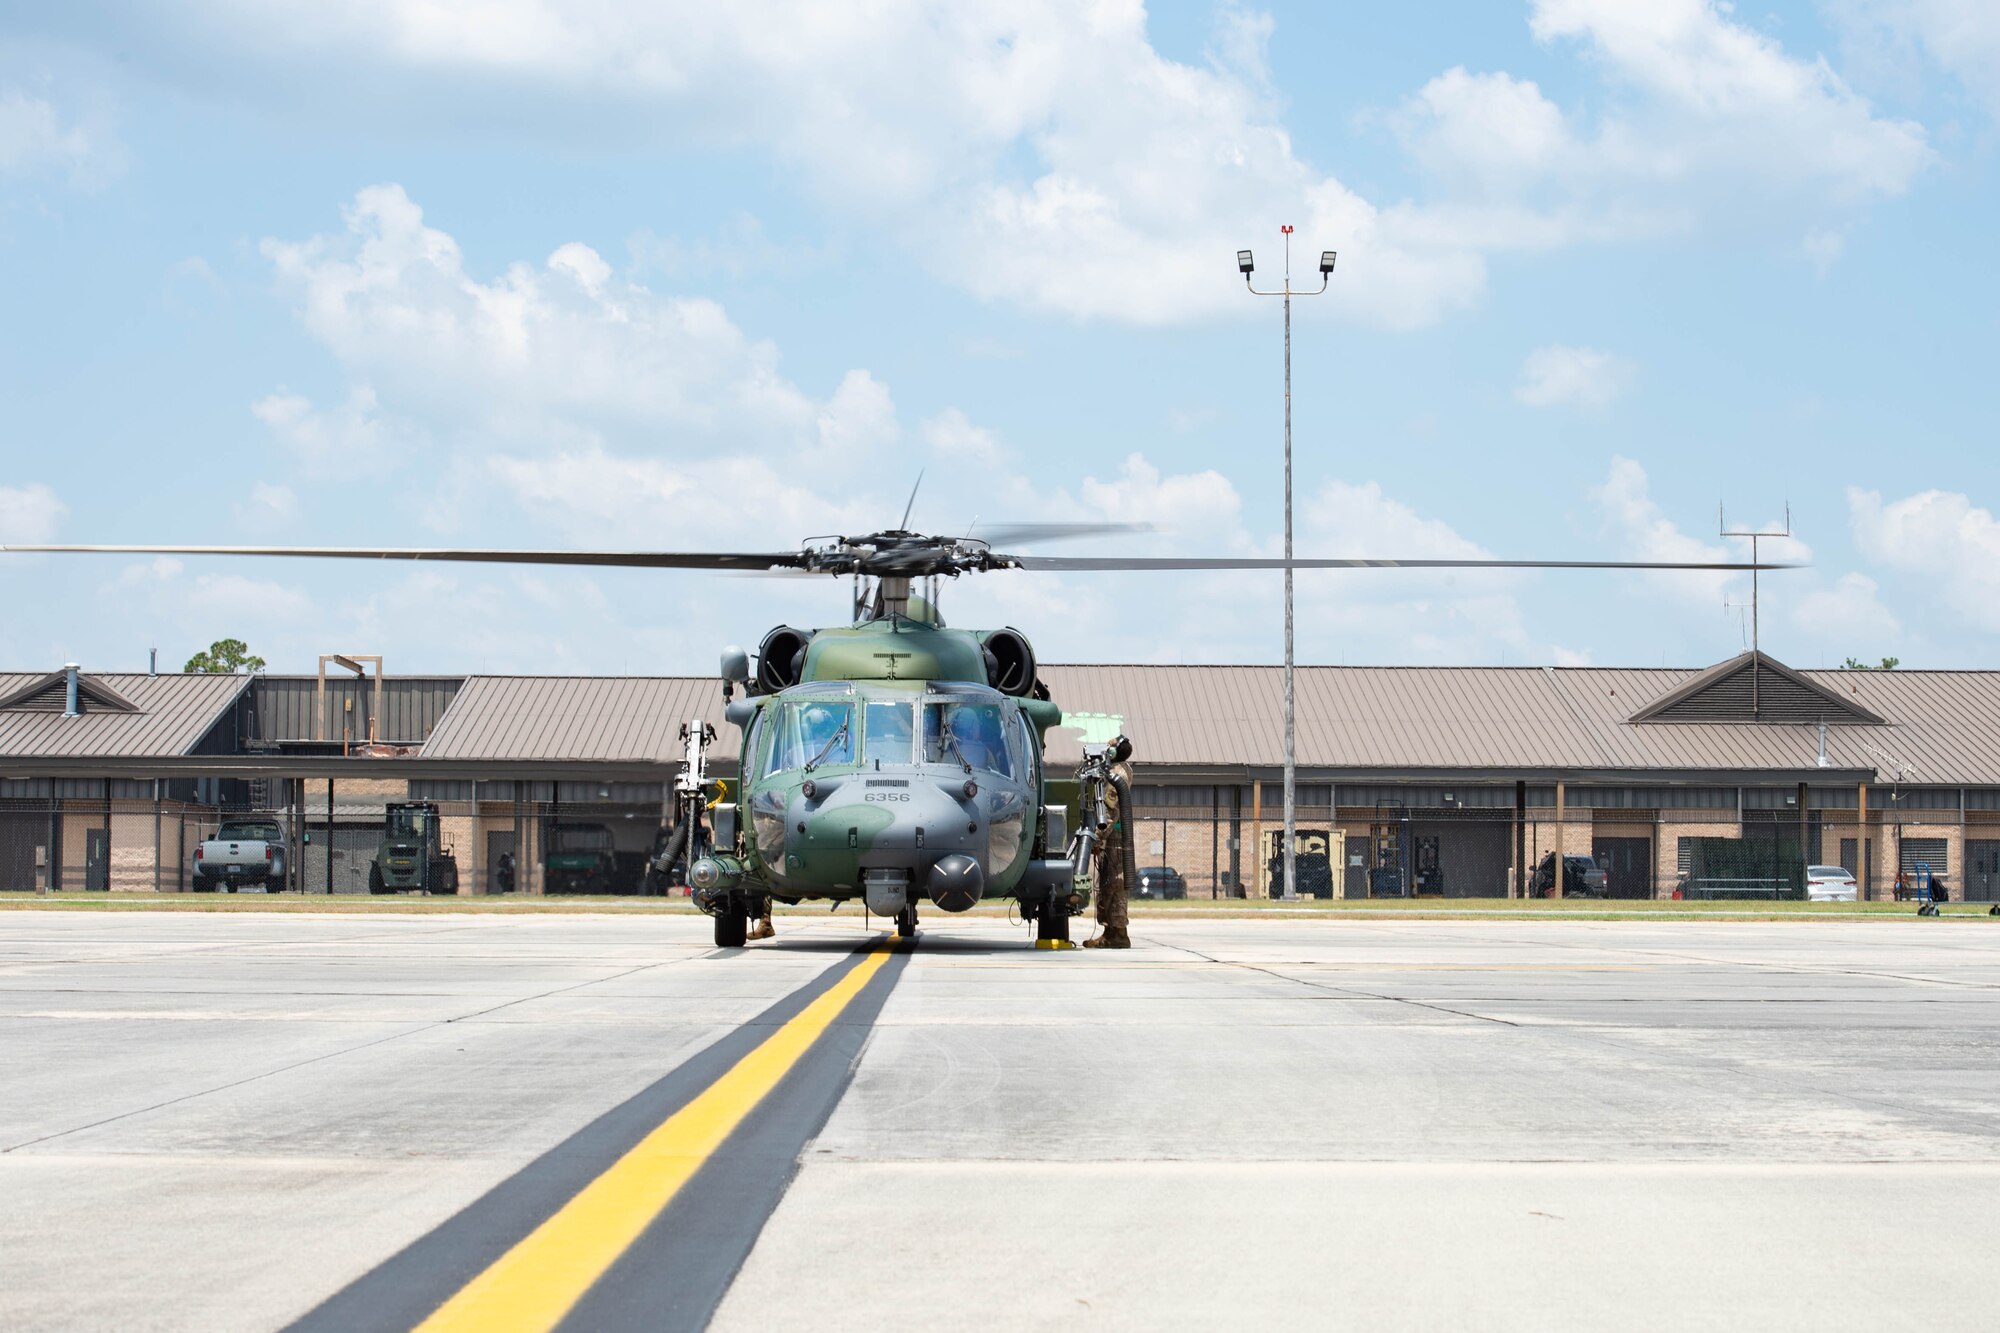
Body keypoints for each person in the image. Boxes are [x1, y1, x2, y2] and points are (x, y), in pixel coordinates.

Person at [1084, 741, 1134, 949]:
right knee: (1115, 885)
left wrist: (1098, 837)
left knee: (1111, 885)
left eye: (1109, 746)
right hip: (1117, 838)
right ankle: (1116, 932)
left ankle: (1114, 934)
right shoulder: (1121, 769)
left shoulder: (1117, 774)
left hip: (1113, 840)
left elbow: (1110, 811)